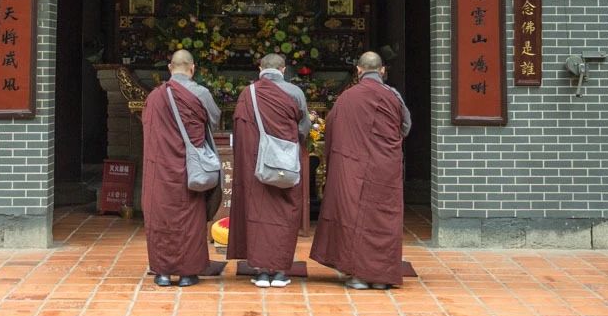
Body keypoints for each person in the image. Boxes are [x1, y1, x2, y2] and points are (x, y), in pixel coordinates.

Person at [309, 51, 412, 290]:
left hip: (353, 166)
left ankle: (358, 276)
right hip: (385, 167)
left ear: (358, 70)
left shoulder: (347, 97)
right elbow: (405, 127)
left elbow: (332, 128)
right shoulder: (392, 95)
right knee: (383, 218)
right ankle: (382, 277)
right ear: (383, 71)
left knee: (353, 216)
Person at [140, 48, 221, 287]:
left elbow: (149, 128)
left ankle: (163, 273)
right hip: (190, 169)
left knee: (162, 218)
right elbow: (214, 120)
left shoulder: (155, 96)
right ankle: (187, 273)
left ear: (170, 68)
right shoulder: (201, 93)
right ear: (193, 68)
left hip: (162, 170)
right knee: (190, 218)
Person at [228, 53, 310, 288]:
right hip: (286, 165)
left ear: (260, 68)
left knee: (258, 214)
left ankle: (262, 272)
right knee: (285, 214)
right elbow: (303, 127)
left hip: (257, 167)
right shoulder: (295, 93)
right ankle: (281, 272)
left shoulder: (248, 94)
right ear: (283, 70)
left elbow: (241, 132)